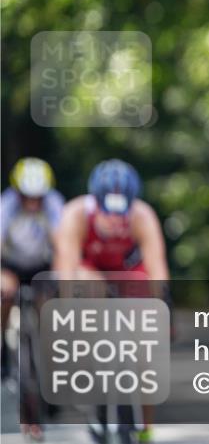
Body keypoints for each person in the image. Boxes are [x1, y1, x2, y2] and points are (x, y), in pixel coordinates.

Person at [54, 159, 169, 442]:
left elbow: (157, 269)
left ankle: (146, 428)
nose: (116, 221)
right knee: (84, 284)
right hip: (91, 273)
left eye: (122, 214)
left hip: (129, 274)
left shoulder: (143, 217)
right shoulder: (75, 215)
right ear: (96, 202)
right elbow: (65, 270)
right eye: (109, 213)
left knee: (147, 352)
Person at [1, 157, 64, 438]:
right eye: (27, 197)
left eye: (37, 197)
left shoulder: (54, 204)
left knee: (50, 310)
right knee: (4, 295)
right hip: (10, 266)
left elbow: (64, 244)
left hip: (42, 266)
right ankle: (3, 343)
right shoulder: (6, 206)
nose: (32, 202)